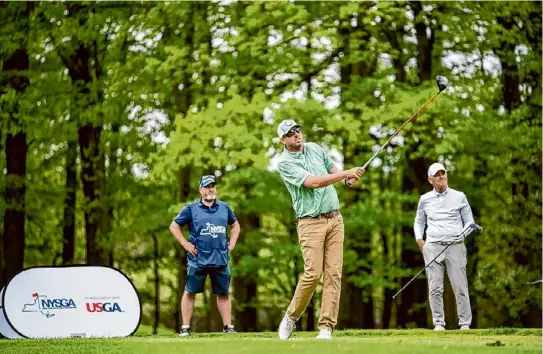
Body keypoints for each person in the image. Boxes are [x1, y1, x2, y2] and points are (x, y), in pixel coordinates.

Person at [276, 119, 365, 340]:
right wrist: (345, 174)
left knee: (334, 274)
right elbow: (314, 182)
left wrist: (347, 180)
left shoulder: (315, 148)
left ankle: (326, 327)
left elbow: (334, 173)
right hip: (310, 223)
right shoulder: (285, 163)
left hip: (335, 219)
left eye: (298, 129)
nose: (297, 134)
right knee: (313, 274)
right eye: (291, 133)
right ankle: (291, 316)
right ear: (283, 140)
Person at [169, 174, 241, 336]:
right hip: (198, 259)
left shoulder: (224, 207)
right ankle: (185, 327)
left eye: (213, 186)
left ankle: (228, 327)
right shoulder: (190, 209)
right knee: (190, 292)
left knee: (223, 293)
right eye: (207, 186)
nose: (211, 189)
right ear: (201, 190)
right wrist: (185, 244)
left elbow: (235, 226)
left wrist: (232, 243)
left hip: (220, 259)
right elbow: (174, 227)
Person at [413, 162, 475, 331]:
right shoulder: (424, 199)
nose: (441, 176)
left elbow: (470, 222)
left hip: (455, 246)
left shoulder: (459, 196)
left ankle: (464, 324)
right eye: (437, 174)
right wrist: (420, 239)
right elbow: (419, 221)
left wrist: (460, 236)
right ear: (430, 179)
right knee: (435, 287)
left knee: (460, 286)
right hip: (432, 246)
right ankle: (439, 323)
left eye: (443, 173)